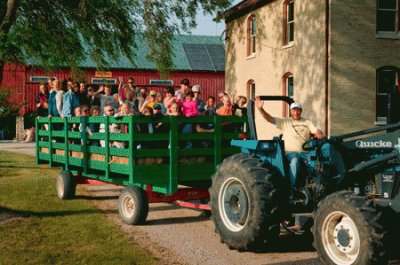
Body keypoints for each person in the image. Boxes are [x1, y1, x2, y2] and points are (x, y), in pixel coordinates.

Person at [255, 97, 324, 186]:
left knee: (319, 163)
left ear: (301, 111)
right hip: (291, 152)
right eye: (294, 110)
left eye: (298, 110)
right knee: (295, 161)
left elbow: (316, 131)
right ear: (291, 111)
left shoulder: (307, 122)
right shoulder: (285, 121)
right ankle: (292, 187)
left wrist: (319, 134)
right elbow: (269, 119)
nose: (296, 112)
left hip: (306, 152)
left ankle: (315, 186)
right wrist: (261, 109)